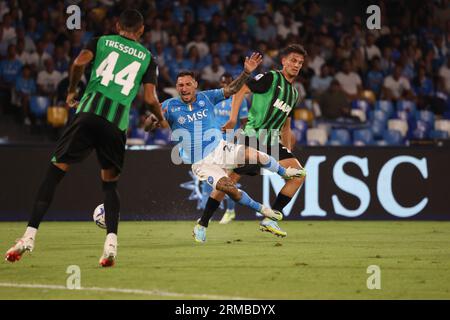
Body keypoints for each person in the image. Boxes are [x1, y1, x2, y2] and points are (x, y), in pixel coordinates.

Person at [5, 9, 164, 267]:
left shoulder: (100, 41)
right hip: (115, 124)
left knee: (53, 175)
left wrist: (71, 92)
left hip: (87, 115)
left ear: (117, 25)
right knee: (110, 186)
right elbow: (149, 99)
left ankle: (28, 237)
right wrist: (162, 118)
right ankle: (111, 243)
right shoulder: (148, 58)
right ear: (142, 30)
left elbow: (79, 63)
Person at [148, 54, 304, 242]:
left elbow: (232, 90)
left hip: (231, 145)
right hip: (209, 157)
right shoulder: (168, 106)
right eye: (180, 85)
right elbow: (148, 124)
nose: (184, 88)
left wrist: (246, 72)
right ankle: (208, 222)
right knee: (229, 186)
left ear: (195, 85)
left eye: (188, 84)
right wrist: (153, 119)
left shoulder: (206, 97)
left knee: (273, 164)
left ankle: (273, 212)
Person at [206, 44, 308, 235]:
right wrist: (233, 119)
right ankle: (203, 221)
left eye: (300, 63)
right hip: (252, 137)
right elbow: (242, 89)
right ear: (284, 61)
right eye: (293, 60)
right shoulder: (270, 77)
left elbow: (286, 125)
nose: (297, 65)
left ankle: (271, 220)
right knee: (230, 179)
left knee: (298, 175)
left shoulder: (293, 94)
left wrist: (287, 152)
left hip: (272, 142)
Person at [201, 73, 249, 225]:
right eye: (222, 83)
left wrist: (236, 136)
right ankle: (207, 215)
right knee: (209, 179)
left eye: (227, 83)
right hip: (213, 143)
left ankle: (230, 211)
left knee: (226, 180)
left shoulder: (239, 100)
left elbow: (244, 123)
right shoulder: (215, 99)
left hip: (229, 144)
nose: (224, 86)